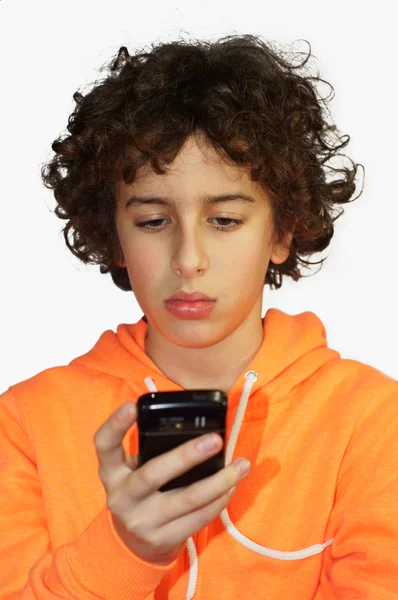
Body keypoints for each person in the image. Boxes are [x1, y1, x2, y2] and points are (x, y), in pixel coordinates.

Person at [0, 33, 397, 599]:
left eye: (226, 220)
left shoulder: (374, 420)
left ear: (281, 232)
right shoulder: (23, 424)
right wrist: (125, 552)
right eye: (153, 222)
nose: (189, 261)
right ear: (113, 236)